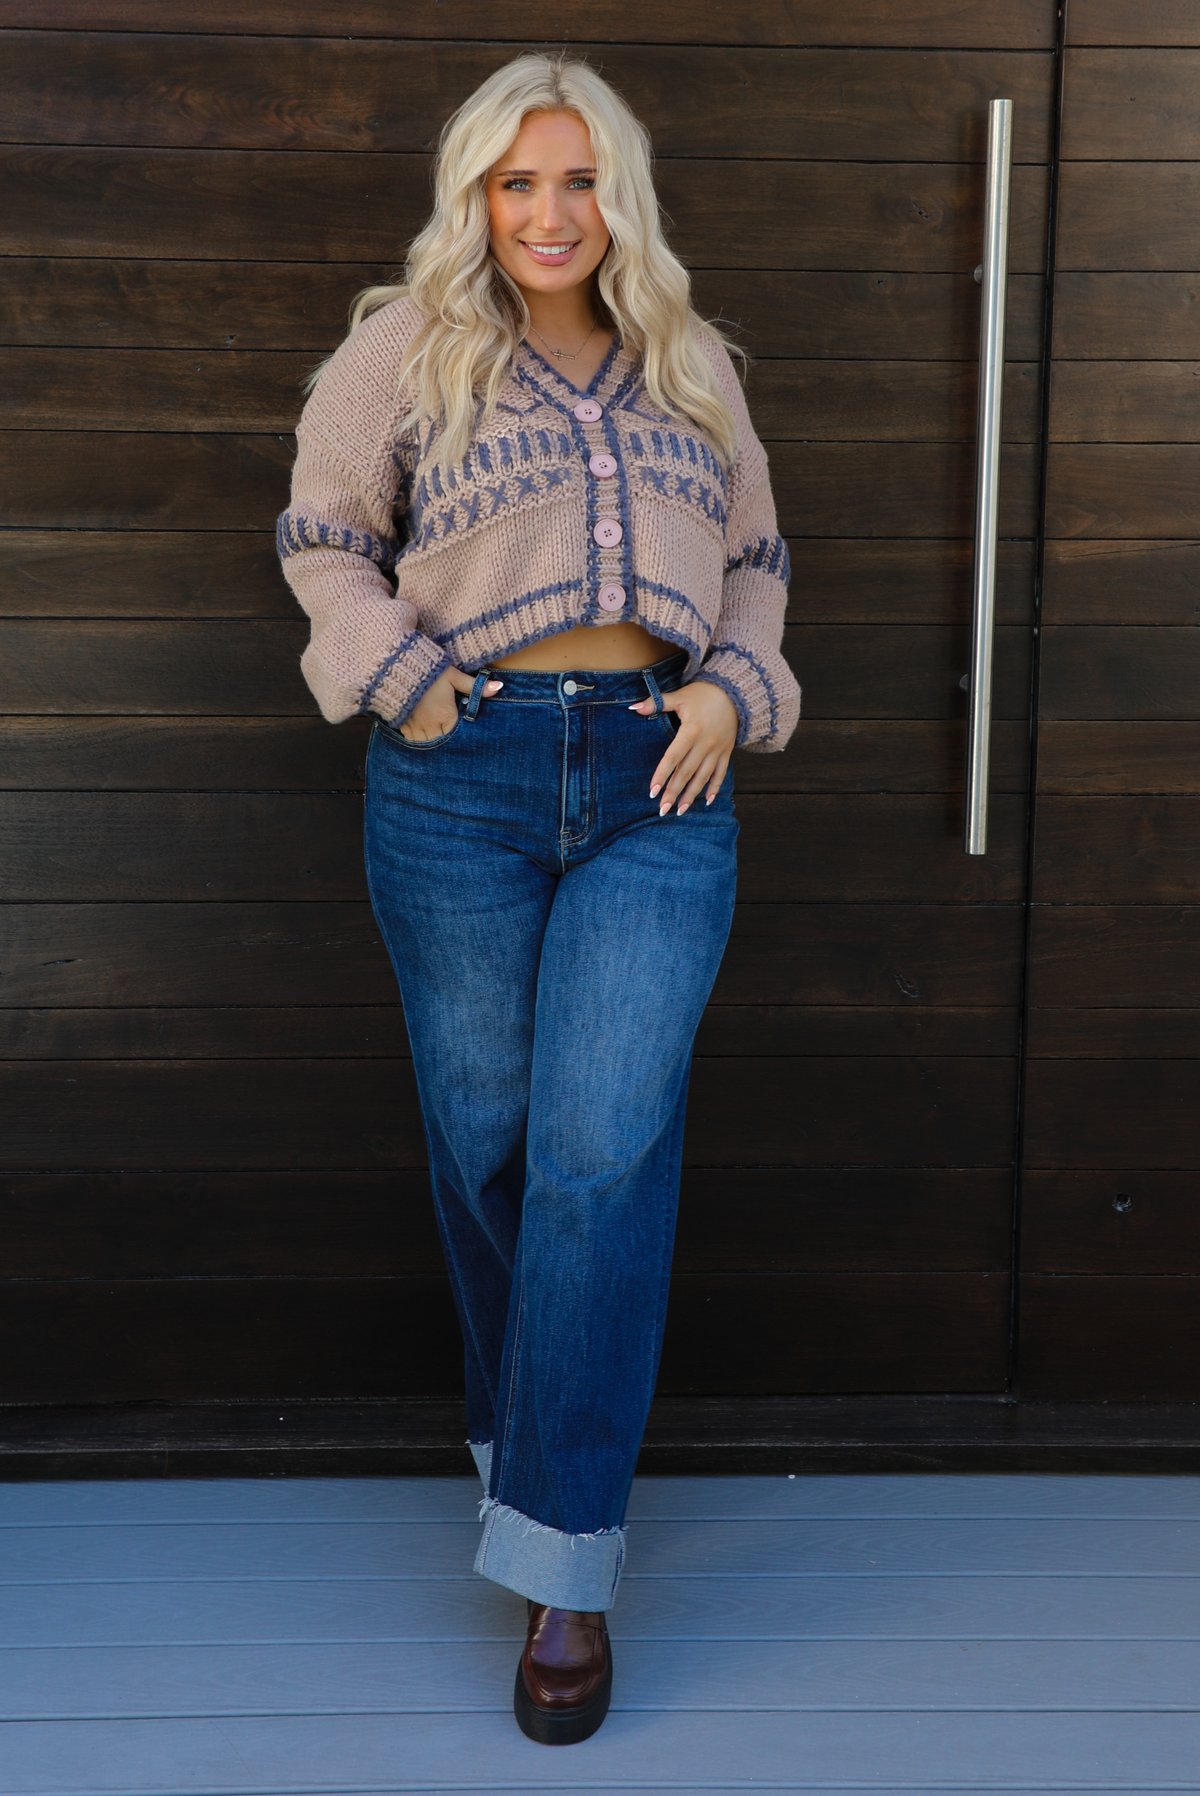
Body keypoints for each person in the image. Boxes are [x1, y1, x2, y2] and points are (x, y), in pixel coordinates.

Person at [278, 51, 799, 1746]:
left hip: (662, 777)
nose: (550, 214)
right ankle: (535, 1437)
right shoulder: (401, 352)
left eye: (579, 182)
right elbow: (320, 536)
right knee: (491, 1129)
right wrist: (401, 680)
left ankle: (565, 1572)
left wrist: (733, 687)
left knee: (602, 1140)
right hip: (460, 773)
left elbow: (760, 568)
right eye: (518, 182)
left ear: (619, 198)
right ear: (475, 198)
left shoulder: (696, 365)